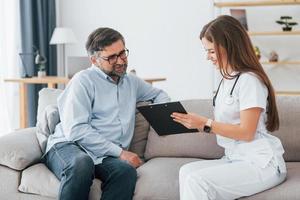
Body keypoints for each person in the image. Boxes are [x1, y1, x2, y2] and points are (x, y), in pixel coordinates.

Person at [43, 27, 170, 200]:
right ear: (94, 60)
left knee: (125, 172)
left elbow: (159, 94)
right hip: (69, 146)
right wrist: (121, 153)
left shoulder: (131, 82)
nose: (120, 61)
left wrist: (162, 117)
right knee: (82, 163)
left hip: (104, 154)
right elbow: (76, 130)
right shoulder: (83, 81)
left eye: (122, 53)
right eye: (111, 57)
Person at [171, 15, 287, 200]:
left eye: (211, 51)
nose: (207, 57)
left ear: (228, 46)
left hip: (262, 163)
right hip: (235, 158)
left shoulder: (249, 80)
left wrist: (205, 124)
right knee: (187, 171)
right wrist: (198, 124)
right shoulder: (227, 79)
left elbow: (247, 132)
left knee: (197, 180)